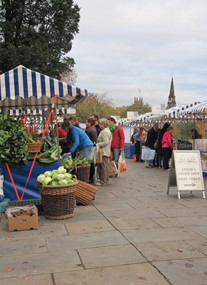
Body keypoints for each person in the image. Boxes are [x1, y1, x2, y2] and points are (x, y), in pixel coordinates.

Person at [95, 118, 112, 186]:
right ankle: (105, 180)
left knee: (102, 166)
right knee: (105, 166)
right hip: (106, 151)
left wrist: (98, 144)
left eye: (100, 124)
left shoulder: (104, 132)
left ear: (103, 124)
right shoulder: (107, 131)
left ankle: (103, 181)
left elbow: (106, 142)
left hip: (103, 151)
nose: (99, 125)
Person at [85, 118, 97, 184]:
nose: (85, 123)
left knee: (91, 163)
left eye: (86, 122)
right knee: (91, 162)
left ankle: (91, 177)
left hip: (91, 147)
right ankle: (90, 177)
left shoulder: (92, 130)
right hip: (90, 147)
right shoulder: (89, 129)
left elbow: (94, 139)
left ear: (90, 123)